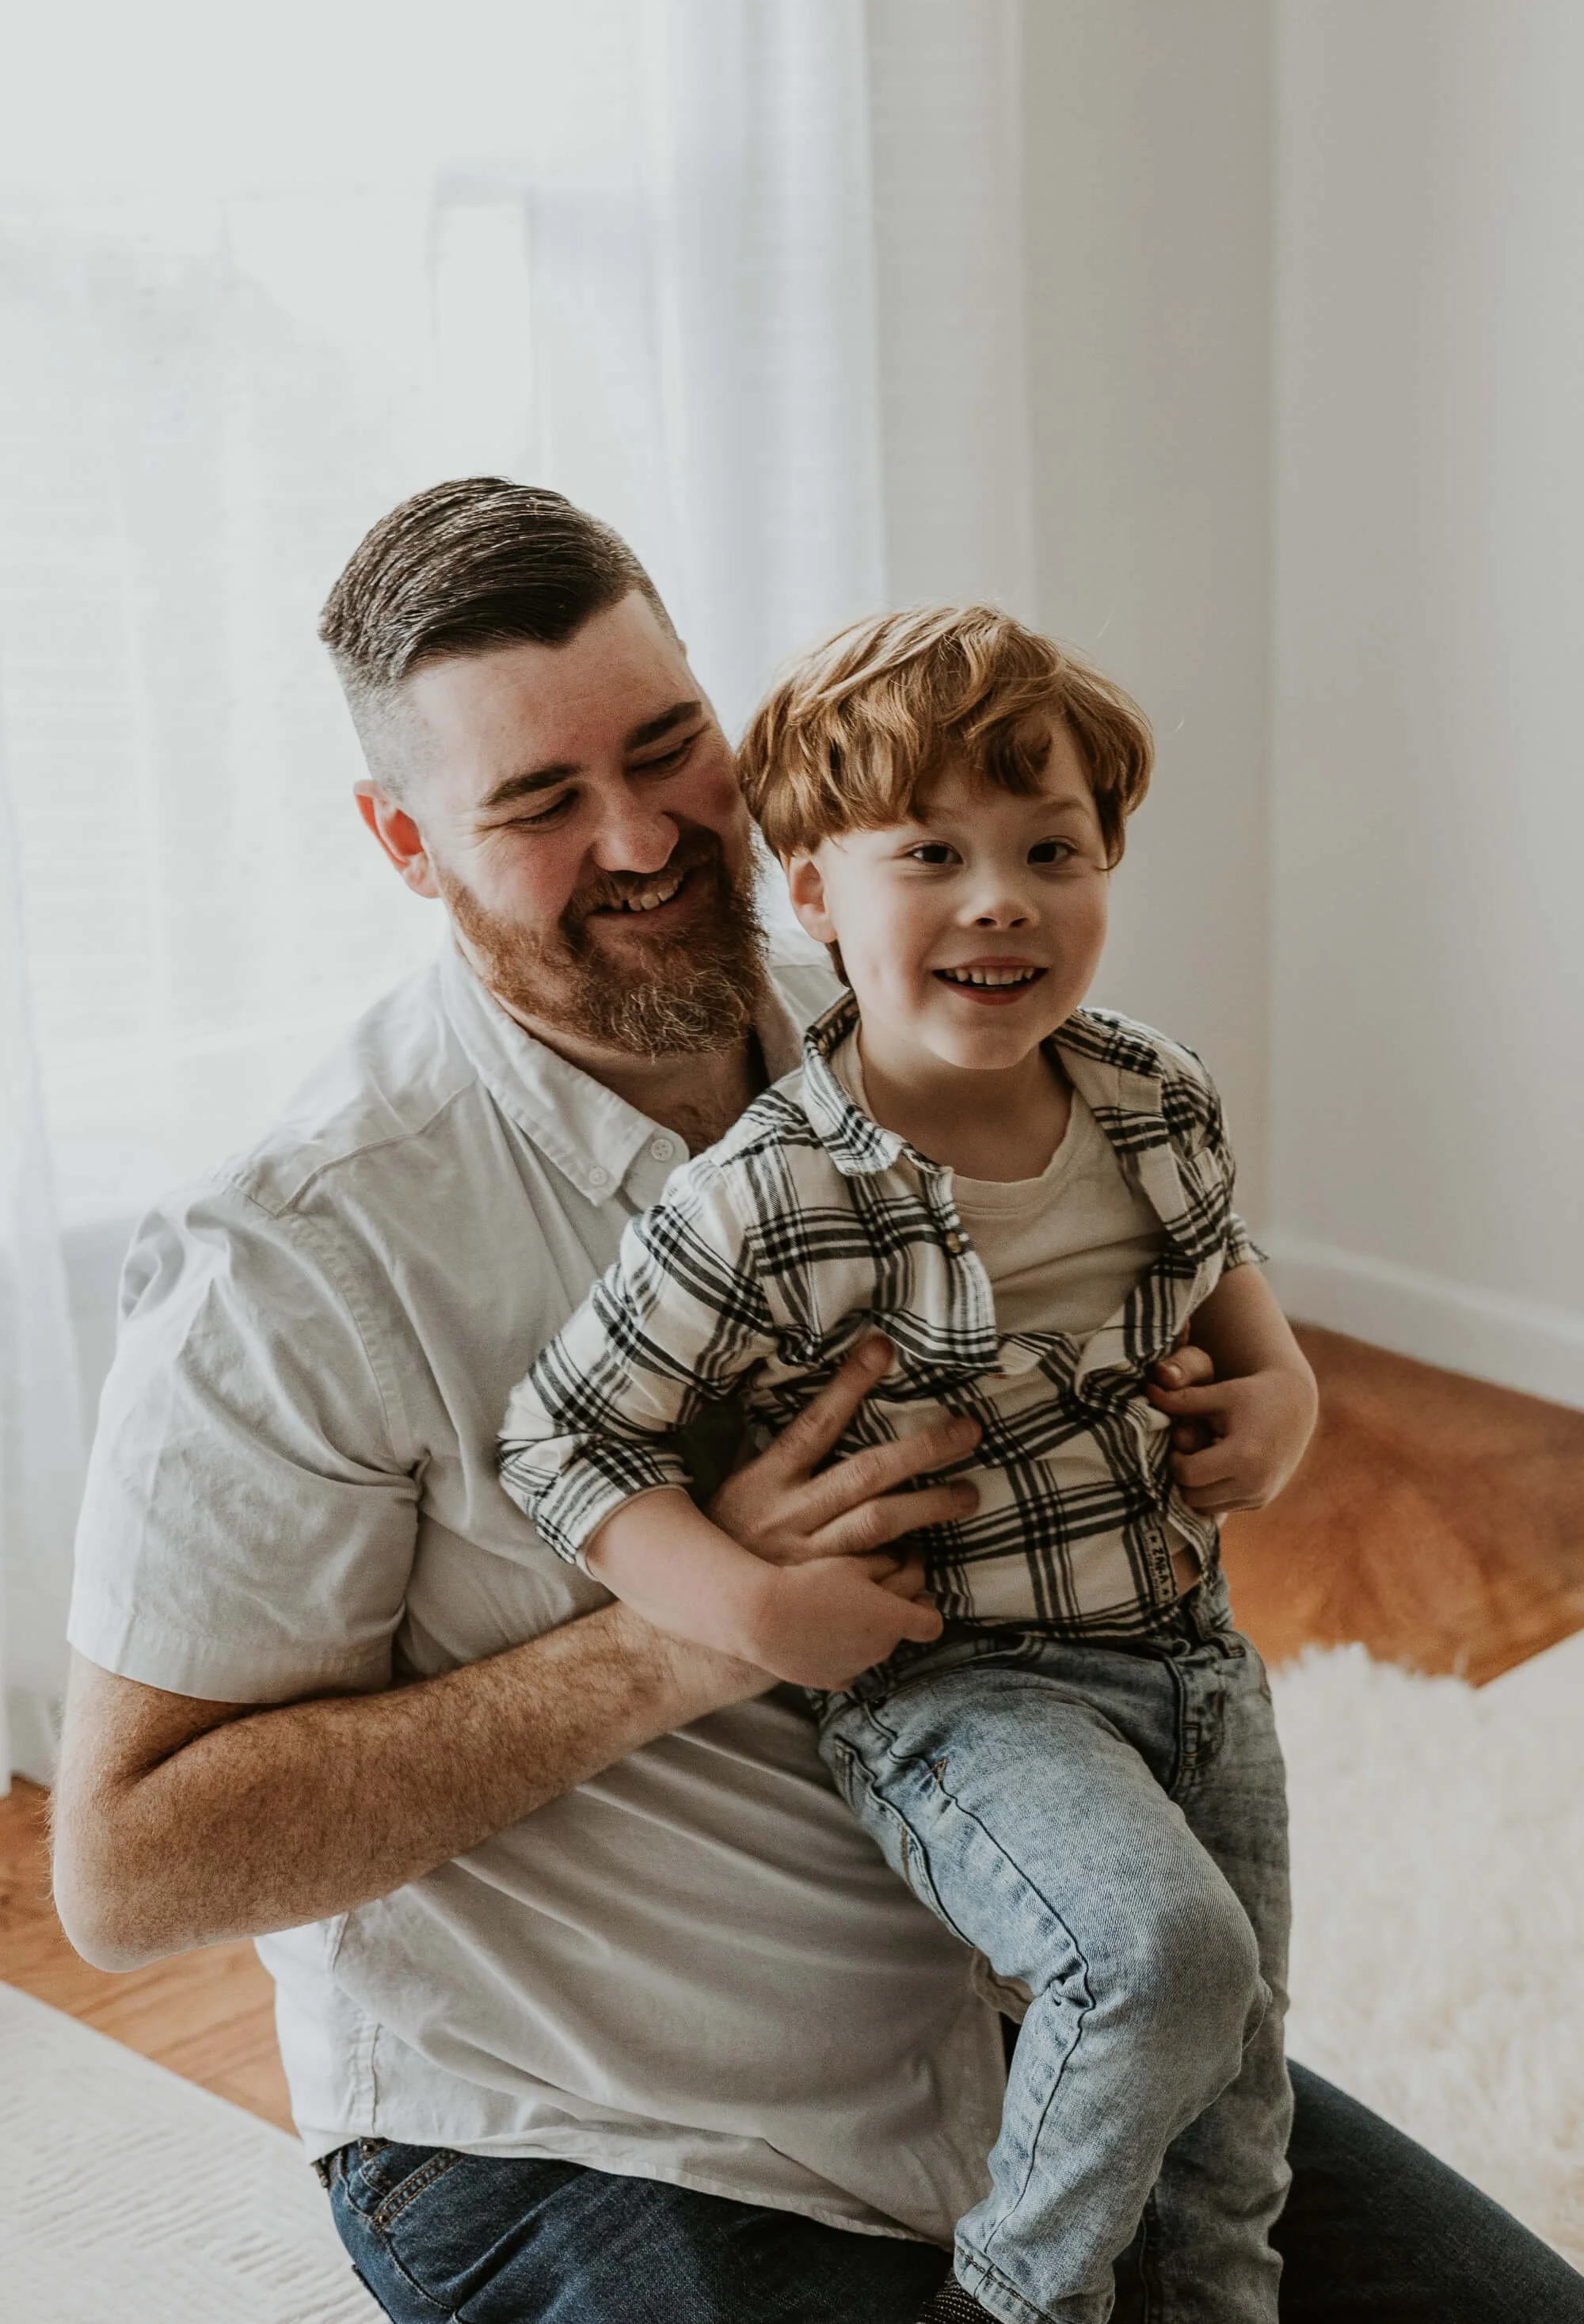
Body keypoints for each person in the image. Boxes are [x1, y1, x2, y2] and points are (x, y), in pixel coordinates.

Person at [50, 481, 1584, 2324]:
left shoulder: (907, 1004)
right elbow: (130, 1874)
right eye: (537, 806)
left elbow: (1175, 1234)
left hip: (1046, 2000)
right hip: (614, 2131)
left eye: (665, 747)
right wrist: (684, 1640)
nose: (639, 840)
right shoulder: (297, 1252)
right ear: (404, 842)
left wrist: (1265, 1389)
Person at [497, 606, 1310, 2322]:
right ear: (812, 896)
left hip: (1197, 1657)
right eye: (929, 853)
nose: (1000, 895)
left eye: (1050, 849)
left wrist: (1285, 1395)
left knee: (1234, 2092)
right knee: (1165, 1966)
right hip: (966, 1688)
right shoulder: (771, 1190)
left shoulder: (1153, 1092)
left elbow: (1225, 1276)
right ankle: (1016, 2299)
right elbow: (560, 1437)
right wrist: (745, 1608)